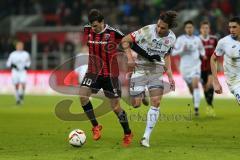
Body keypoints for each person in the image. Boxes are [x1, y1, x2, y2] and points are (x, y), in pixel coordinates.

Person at [121, 11, 177, 147]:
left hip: (156, 69)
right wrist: (129, 58)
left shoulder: (172, 38)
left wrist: (169, 74)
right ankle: (143, 95)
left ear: (169, 27)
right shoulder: (147, 30)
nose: (159, 29)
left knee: (156, 102)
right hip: (140, 68)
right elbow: (125, 40)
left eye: (163, 28)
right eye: (158, 26)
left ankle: (146, 138)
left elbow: (167, 55)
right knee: (136, 104)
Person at [79, 9, 133, 147]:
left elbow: (126, 41)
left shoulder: (113, 33)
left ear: (102, 22)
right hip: (93, 72)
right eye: (92, 25)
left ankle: (127, 132)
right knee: (83, 96)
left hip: (111, 75)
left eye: (96, 25)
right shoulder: (87, 30)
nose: (93, 28)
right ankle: (96, 126)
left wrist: (130, 57)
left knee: (115, 107)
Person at [172, 20, 206, 116]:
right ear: (185, 29)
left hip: (196, 66)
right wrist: (182, 49)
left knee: (196, 84)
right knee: (191, 89)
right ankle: (194, 96)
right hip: (185, 68)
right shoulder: (180, 39)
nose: (189, 29)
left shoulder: (197, 39)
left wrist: (203, 55)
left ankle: (196, 108)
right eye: (187, 27)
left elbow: (201, 49)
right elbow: (173, 53)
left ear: (193, 28)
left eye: (191, 27)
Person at [211, 16, 240, 104]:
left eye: (234, 27)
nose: (231, 30)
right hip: (234, 81)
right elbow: (213, 59)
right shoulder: (224, 42)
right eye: (230, 27)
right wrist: (215, 81)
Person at [199, 20, 218, 116]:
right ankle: (209, 105)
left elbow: (217, 53)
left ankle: (210, 107)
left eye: (207, 28)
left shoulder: (214, 39)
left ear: (209, 29)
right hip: (200, 68)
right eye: (203, 28)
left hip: (211, 67)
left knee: (210, 84)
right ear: (200, 30)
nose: (205, 30)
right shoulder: (197, 40)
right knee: (205, 87)